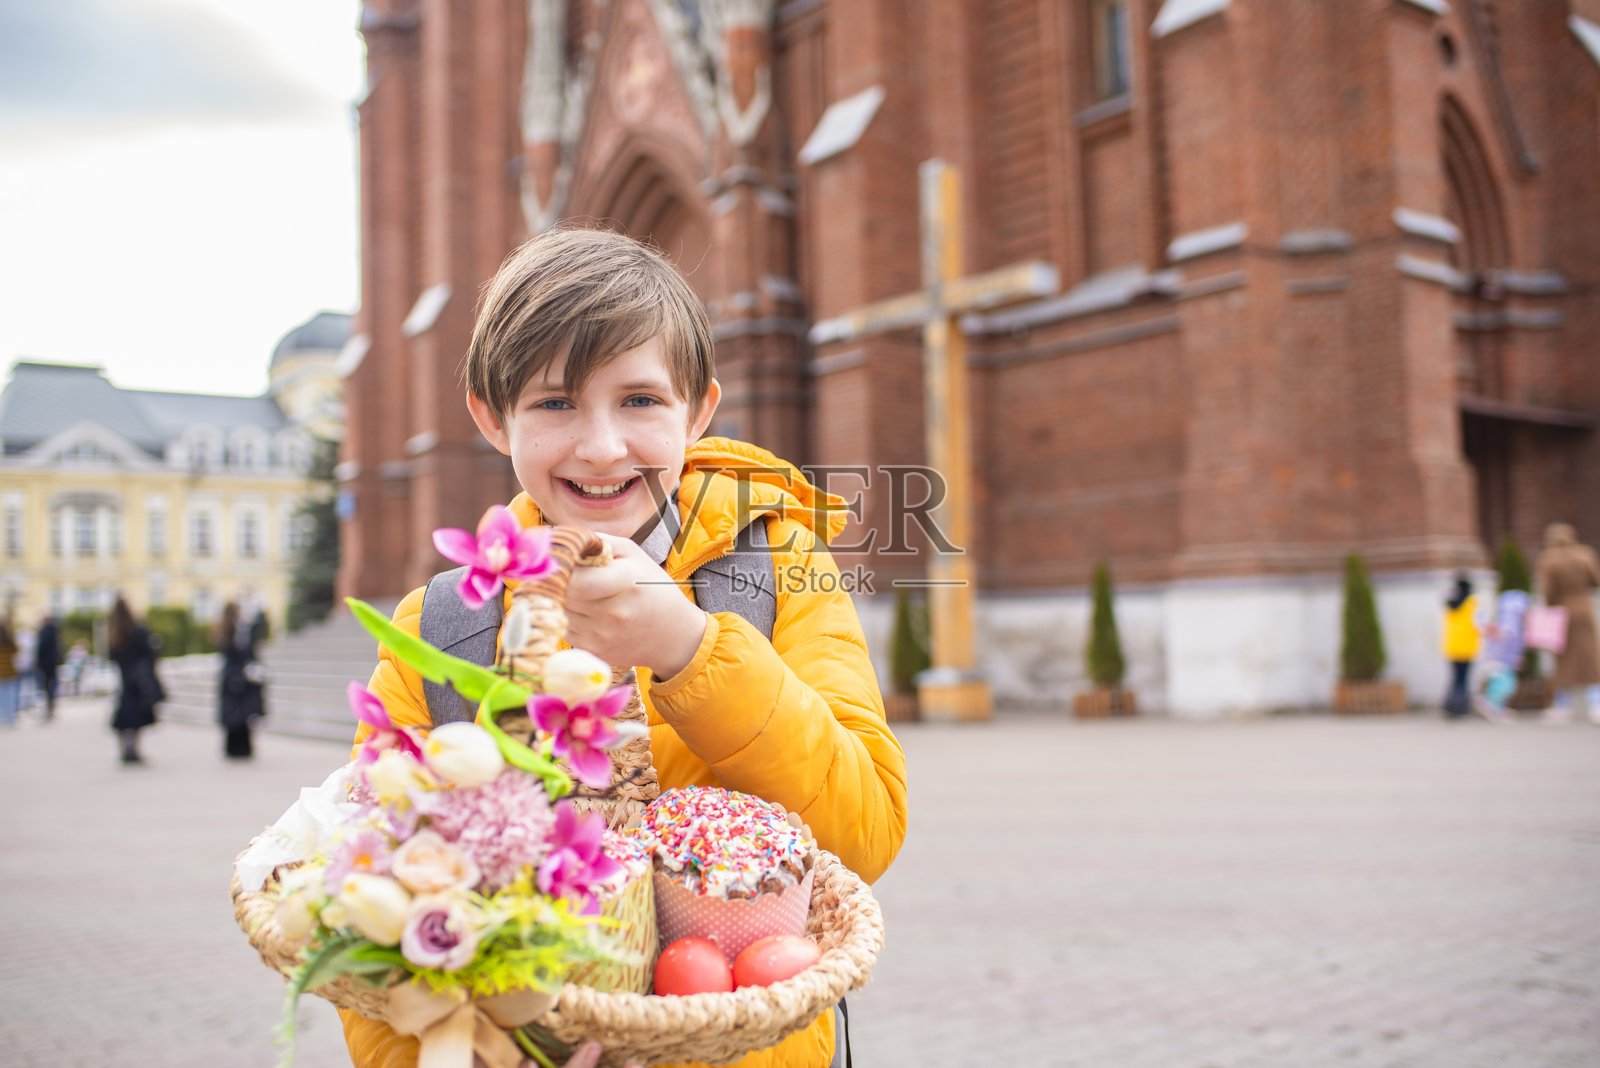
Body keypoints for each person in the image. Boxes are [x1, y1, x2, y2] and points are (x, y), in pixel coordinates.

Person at [342, 228, 909, 1068]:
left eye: (640, 400)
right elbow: (373, 914)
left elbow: (865, 833)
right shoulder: (439, 630)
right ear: (492, 418)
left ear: (699, 411)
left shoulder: (778, 568)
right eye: (554, 403)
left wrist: (690, 650)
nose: (602, 446)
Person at [1535, 522, 1600, 724]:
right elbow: (1595, 581)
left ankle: (1562, 706)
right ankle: (1596, 704)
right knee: (1591, 657)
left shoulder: (1549, 559)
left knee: (1562, 659)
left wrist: (1548, 606)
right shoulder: (1585, 555)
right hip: (1584, 608)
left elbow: (1548, 592)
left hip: (1562, 610)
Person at [108, 597, 162, 764]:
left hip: (126, 678)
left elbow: (113, 656)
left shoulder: (115, 631)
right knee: (136, 717)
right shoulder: (136, 629)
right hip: (138, 679)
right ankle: (133, 749)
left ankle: (126, 749)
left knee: (126, 716)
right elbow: (148, 652)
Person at [216, 601, 266, 760]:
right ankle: (241, 748)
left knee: (237, 715)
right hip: (238, 677)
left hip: (232, 678)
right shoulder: (236, 631)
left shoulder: (227, 630)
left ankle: (235, 748)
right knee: (240, 715)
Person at [1474, 588, 1527, 725]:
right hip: (1498, 660)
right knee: (1504, 684)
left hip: (1504, 660)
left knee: (1505, 684)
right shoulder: (1510, 621)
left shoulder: (1509, 620)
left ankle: (1497, 707)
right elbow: (1504, 635)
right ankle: (1489, 704)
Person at [1440, 573, 1480, 719]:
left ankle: (1449, 706)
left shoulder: (1450, 602)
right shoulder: (1472, 602)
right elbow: (1480, 623)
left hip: (1452, 646)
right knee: (1463, 679)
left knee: (1454, 678)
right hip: (1468, 646)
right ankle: (1461, 707)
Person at [35, 612, 60, 720]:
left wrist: (38, 659)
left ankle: (49, 703)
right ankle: (51, 702)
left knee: (46, 684)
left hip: (46, 662)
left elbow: (42, 647)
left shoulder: (45, 631)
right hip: (53, 661)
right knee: (52, 682)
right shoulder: (55, 631)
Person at [0, 619, 19, 727]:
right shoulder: (9, 640)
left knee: (1, 695)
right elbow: (16, 651)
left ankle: (1, 716)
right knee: (10, 695)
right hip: (10, 671)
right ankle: (10, 716)